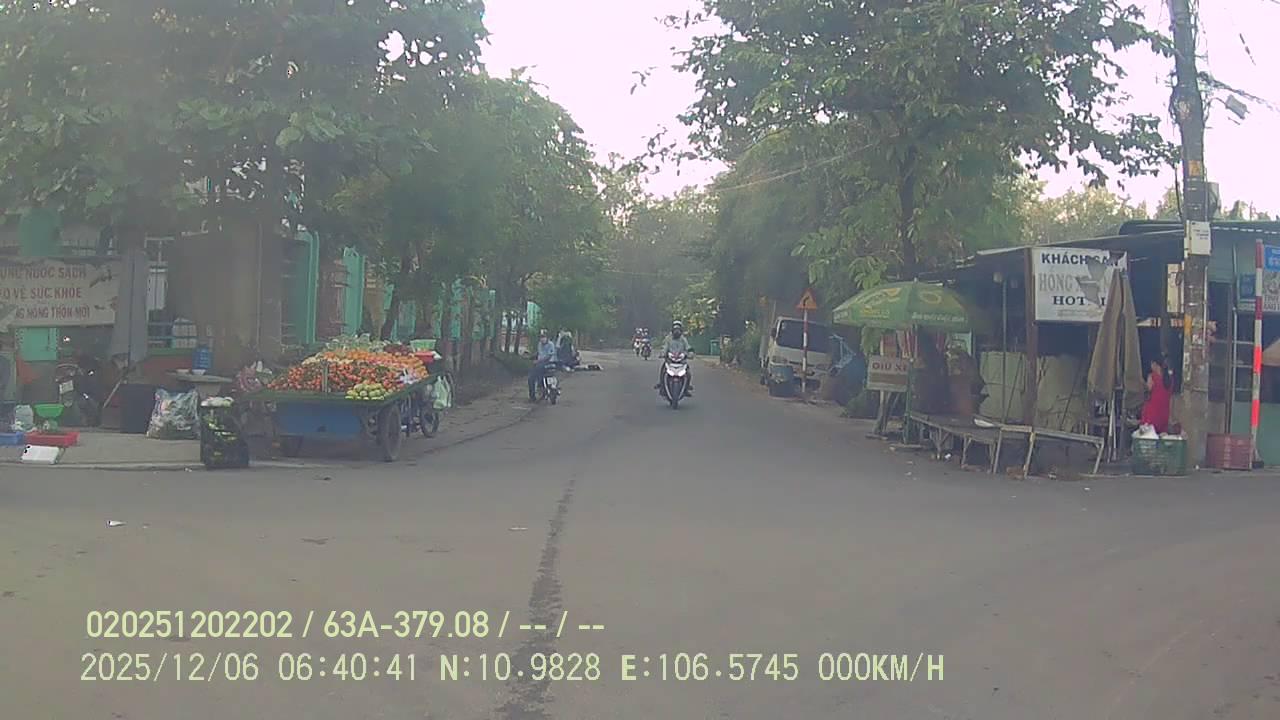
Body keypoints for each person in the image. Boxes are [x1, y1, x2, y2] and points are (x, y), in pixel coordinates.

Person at [654, 321, 693, 396]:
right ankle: (662, 386)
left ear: (681, 330)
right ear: (672, 330)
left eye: (678, 329)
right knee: (663, 370)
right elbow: (665, 347)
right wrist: (663, 353)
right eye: (675, 329)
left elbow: (688, 347)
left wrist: (690, 354)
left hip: (681, 361)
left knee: (688, 373)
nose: (676, 331)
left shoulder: (683, 339)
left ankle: (686, 388)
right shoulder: (668, 338)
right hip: (670, 360)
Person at [1140, 358, 1172, 434]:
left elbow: (1148, 389)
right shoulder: (1169, 379)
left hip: (1152, 412)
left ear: (1155, 364)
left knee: (1148, 436)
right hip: (1164, 413)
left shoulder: (1152, 376)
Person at [528, 329, 558, 401]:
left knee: (538, 373)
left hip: (549, 363)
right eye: (541, 337)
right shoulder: (539, 344)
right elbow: (539, 353)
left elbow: (549, 356)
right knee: (531, 378)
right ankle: (533, 396)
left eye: (543, 337)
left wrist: (538, 361)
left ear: (547, 337)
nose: (542, 338)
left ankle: (541, 388)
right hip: (540, 364)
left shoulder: (551, 344)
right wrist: (531, 357)